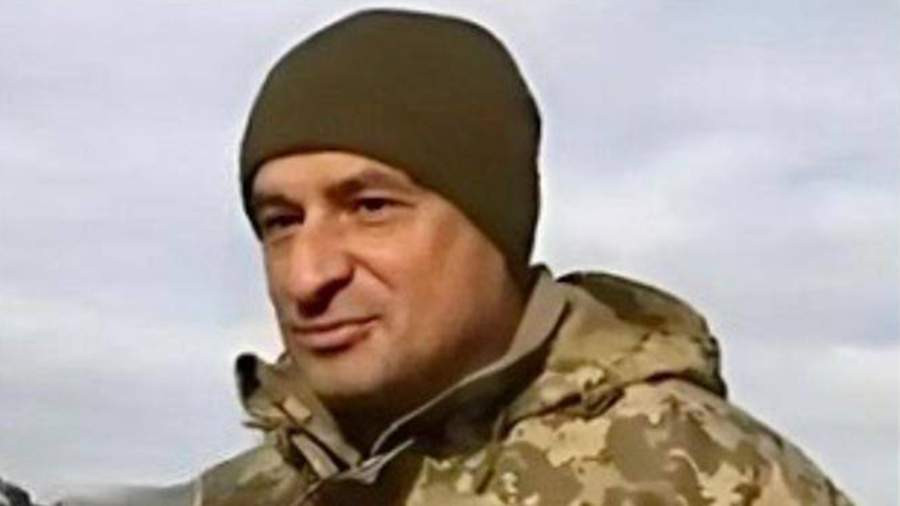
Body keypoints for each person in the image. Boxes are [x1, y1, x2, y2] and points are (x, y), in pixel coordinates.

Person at [12, 7, 851, 506]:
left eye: (371, 207)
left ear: (497, 225)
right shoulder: (252, 493)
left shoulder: (703, 481)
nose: (308, 275)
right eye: (280, 221)